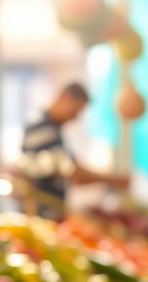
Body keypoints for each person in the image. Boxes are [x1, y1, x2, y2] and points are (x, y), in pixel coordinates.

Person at [18, 82, 129, 218]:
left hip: (49, 212)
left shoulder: (52, 128)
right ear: (63, 98)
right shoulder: (42, 127)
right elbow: (73, 172)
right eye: (76, 110)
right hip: (40, 214)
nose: (75, 117)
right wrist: (114, 179)